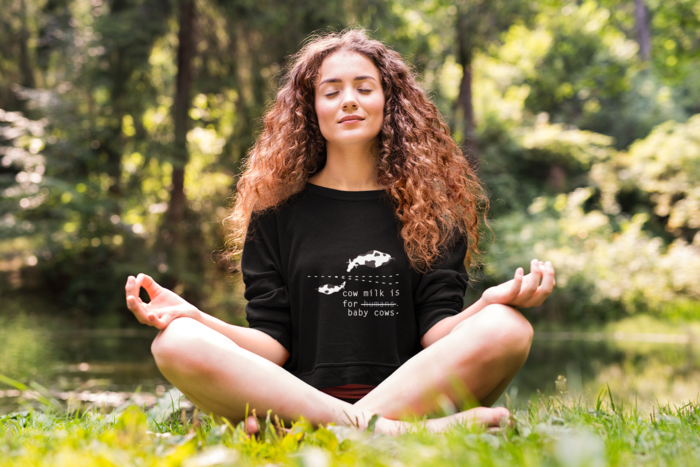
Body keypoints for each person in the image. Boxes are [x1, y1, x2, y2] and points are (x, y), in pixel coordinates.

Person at [124, 29, 556, 436]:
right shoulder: (275, 212)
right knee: (174, 342)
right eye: (331, 92)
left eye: (364, 88)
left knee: (507, 327)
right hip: (297, 398)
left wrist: (486, 303)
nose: (349, 100)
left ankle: (333, 434)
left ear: (390, 102)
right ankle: (383, 433)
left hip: (413, 394)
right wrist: (196, 317)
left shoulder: (434, 210)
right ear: (311, 110)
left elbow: (436, 334)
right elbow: (272, 343)